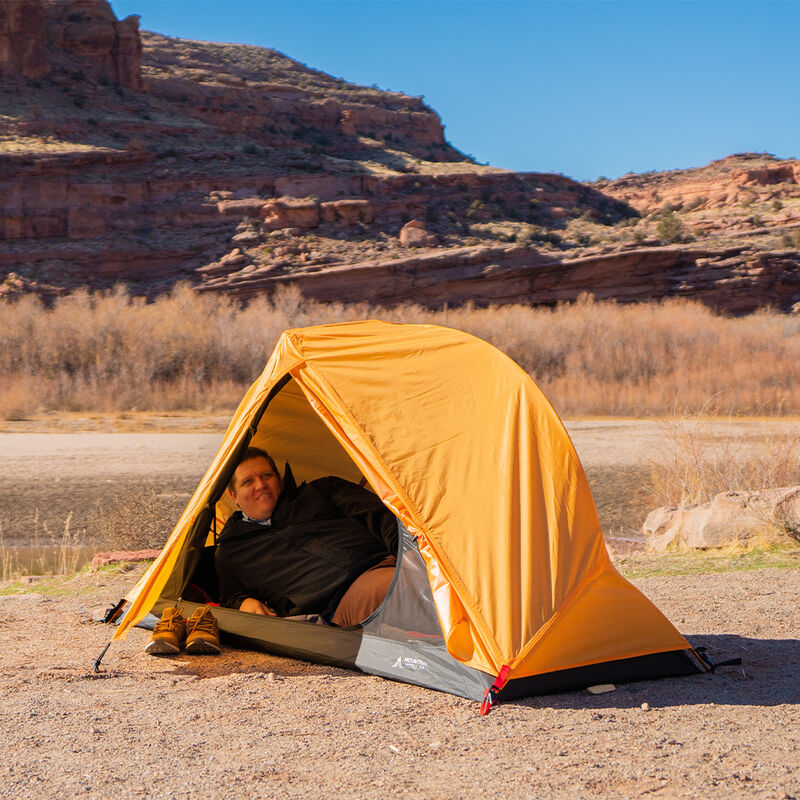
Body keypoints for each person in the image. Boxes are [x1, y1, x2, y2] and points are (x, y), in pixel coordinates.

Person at [214, 447, 398, 627]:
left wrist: (407, 553)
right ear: (234, 496)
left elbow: (383, 517)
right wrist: (242, 602)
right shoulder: (231, 550)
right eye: (248, 482)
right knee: (398, 591)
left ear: (279, 479)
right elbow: (230, 595)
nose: (261, 485)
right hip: (341, 600)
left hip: (389, 564)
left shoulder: (324, 490)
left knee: (411, 581)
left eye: (266, 476)